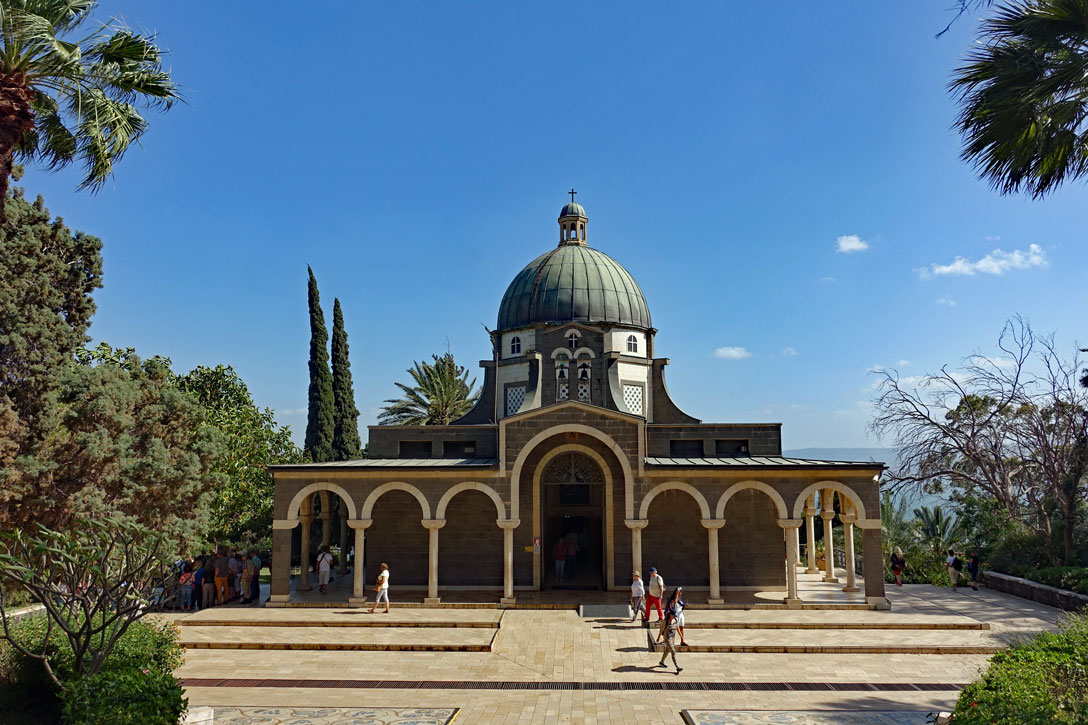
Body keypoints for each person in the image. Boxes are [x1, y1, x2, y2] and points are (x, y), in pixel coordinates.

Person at [654, 608, 682, 674]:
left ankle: (661, 662)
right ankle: (677, 667)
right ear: (670, 615)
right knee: (673, 651)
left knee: (667, 650)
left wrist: (681, 636)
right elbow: (661, 629)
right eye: (673, 615)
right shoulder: (665, 621)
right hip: (667, 638)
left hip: (673, 638)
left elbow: (677, 628)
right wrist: (658, 637)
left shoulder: (675, 620)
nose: (674, 617)